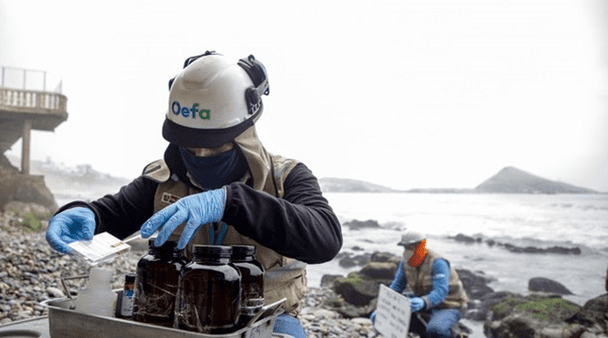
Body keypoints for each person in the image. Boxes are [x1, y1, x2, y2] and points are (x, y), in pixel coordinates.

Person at [45, 51, 343, 338]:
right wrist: (86, 213)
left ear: (244, 135)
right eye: (189, 145)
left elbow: (325, 238)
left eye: (214, 145)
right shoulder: (162, 180)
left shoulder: (287, 177)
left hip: (268, 320)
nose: (200, 154)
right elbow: (115, 212)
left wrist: (230, 202)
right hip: (186, 318)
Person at [371, 231, 469, 338]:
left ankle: (454, 334)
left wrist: (423, 302)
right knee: (387, 319)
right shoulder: (405, 262)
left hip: (448, 305)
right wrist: (383, 308)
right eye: (405, 248)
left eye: (410, 248)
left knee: (436, 330)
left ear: (420, 246)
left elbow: (441, 291)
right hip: (423, 303)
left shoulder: (437, 262)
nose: (406, 252)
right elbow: (397, 286)